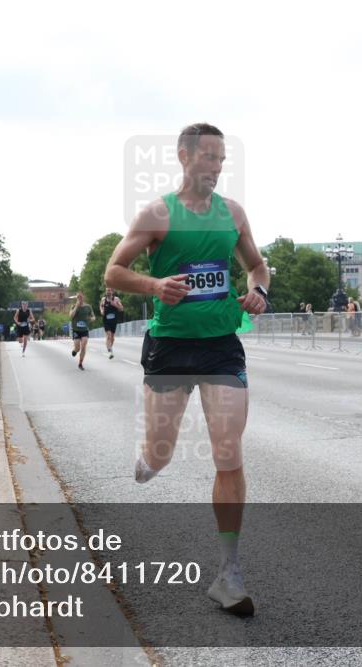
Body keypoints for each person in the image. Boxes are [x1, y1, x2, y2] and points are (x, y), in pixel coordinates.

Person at [104, 123, 270, 616]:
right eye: (209, 158)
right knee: (160, 454)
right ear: (184, 157)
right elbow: (113, 272)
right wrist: (155, 286)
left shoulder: (233, 214)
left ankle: (229, 572)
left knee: (227, 450)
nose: (217, 168)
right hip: (171, 346)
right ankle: (147, 460)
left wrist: (259, 291)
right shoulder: (158, 212)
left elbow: (257, 266)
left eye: (222, 160)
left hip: (221, 343)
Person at [70, 293, 96, 369]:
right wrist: (76, 307)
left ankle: (80, 363)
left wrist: (92, 319)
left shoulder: (88, 307)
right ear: (77, 298)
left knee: (83, 346)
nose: (80, 298)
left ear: (83, 297)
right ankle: (75, 351)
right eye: (78, 297)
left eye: (81, 297)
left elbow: (93, 316)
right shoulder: (73, 306)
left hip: (84, 329)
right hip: (76, 330)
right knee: (77, 348)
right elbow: (71, 316)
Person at [100, 288, 124, 359]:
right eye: (107, 290)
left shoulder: (116, 299)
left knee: (112, 338)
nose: (108, 292)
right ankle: (110, 351)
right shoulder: (103, 300)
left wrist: (115, 305)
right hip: (106, 321)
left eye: (110, 290)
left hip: (114, 321)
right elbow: (101, 306)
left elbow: (121, 308)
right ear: (106, 291)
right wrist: (101, 311)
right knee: (109, 336)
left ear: (112, 291)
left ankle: (110, 348)